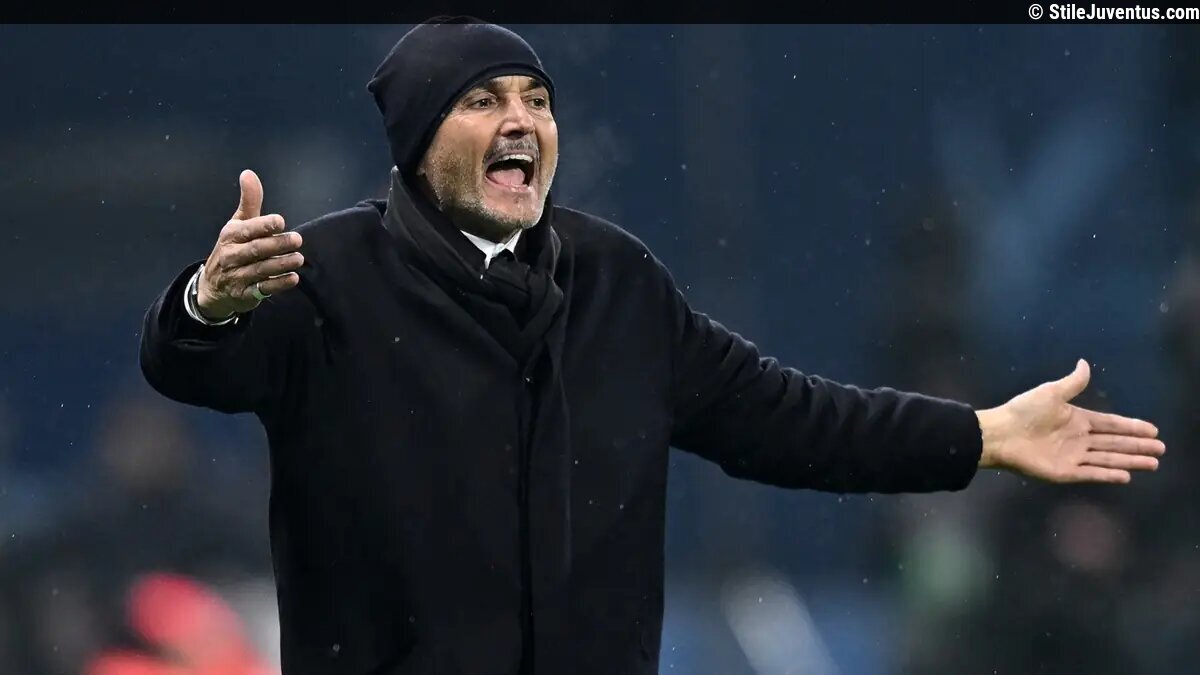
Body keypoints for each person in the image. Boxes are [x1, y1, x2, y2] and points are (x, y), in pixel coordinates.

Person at [138, 17, 1167, 675]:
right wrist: (207, 301)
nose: (522, 121)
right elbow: (186, 366)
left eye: (538, 100)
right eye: (484, 101)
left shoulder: (616, 282)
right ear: (415, 140)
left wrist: (979, 436)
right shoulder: (320, 272)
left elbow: (793, 421)